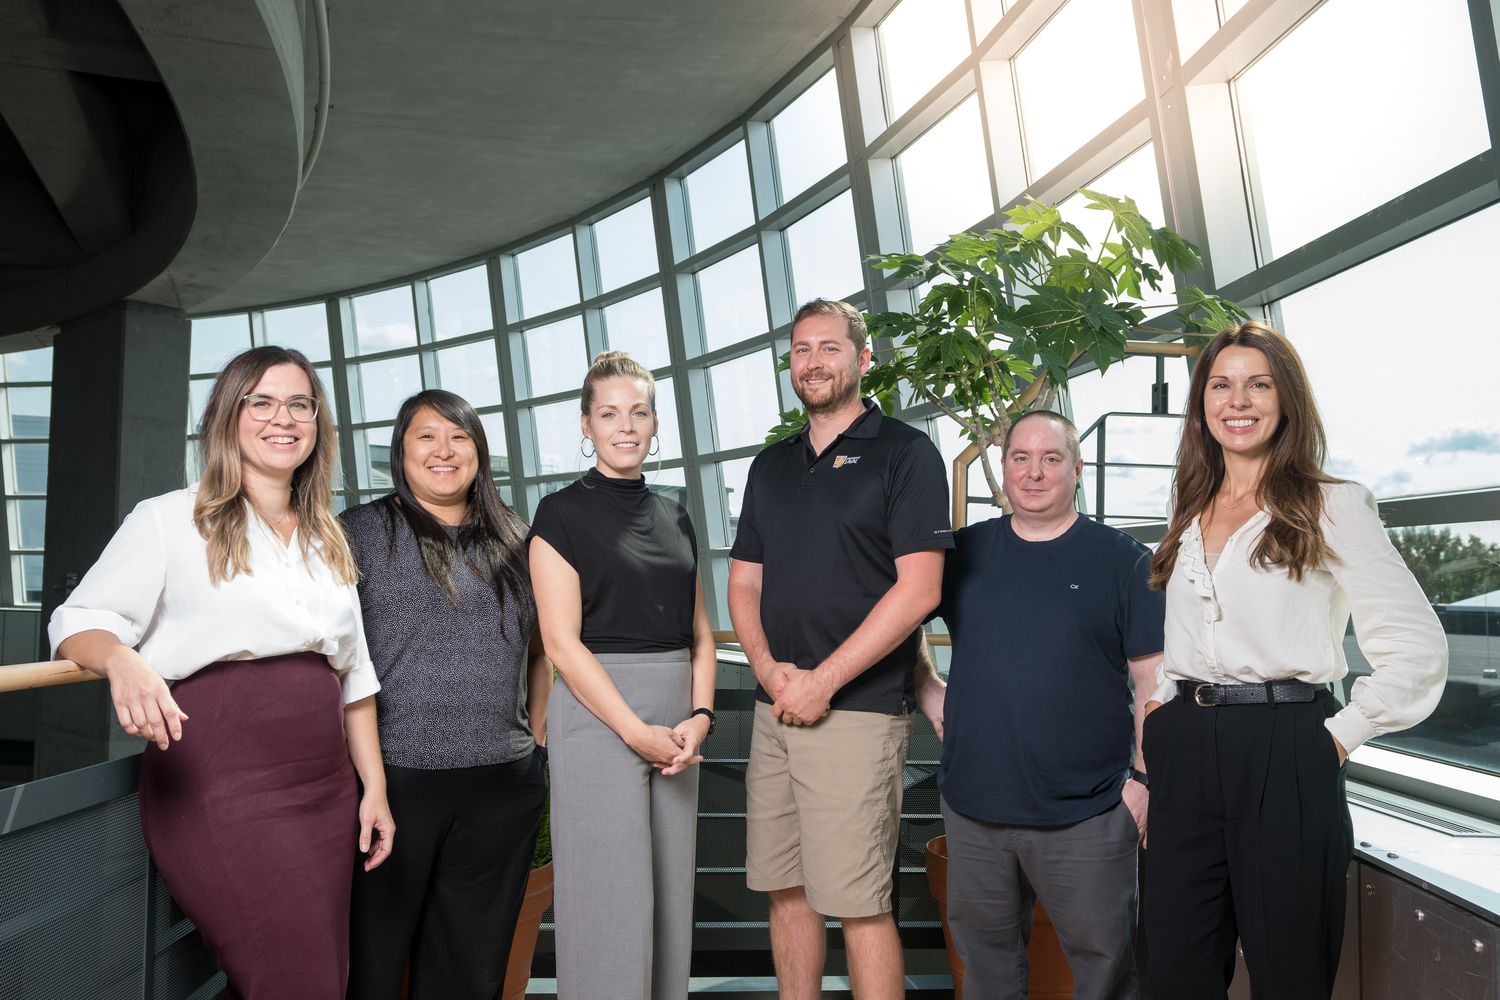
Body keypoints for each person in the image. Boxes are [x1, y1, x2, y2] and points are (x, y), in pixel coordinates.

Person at [48, 346, 394, 999]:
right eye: (259, 401)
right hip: (222, 786)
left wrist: (373, 789)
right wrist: (121, 658)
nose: (281, 417)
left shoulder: (327, 538)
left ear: (318, 422)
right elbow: (79, 619)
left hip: (326, 790)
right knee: (295, 981)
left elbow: (355, 678)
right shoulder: (171, 519)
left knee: (319, 976)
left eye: (299, 403)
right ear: (225, 418)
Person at [1141, 321, 1448, 998]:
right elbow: (1191, 634)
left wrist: (1338, 737)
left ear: (1286, 402)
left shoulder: (1330, 506)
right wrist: (1160, 709)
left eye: (1259, 384)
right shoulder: (1190, 507)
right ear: (1201, 404)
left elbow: (1417, 648)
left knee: (1288, 974)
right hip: (1185, 748)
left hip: (1287, 746)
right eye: (1220, 385)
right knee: (1174, 970)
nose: (1237, 400)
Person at [728, 298, 952, 1000]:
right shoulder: (771, 466)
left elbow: (919, 591)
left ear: (863, 357)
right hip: (776, 710)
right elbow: (742, 583)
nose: (814, 361)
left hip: (856, 712)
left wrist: (821, 682)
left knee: (859, 903)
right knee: (786, 891)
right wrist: (769, 672)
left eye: (829, 347)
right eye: (800, 349)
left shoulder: (907, 454)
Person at [916, 409, 1162, 1000]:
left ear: (1076, 469)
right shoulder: (963, 554)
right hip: (975, 806)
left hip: (1092, 809)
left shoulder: (1125, 560)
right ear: (1002, 470)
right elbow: (900, 618)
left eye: (1051, 459)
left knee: (1106, 973)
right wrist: (928, 689)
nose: (1034, 472)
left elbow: (1154, 682)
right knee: (986, 973)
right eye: (1020, 458)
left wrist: (1143, 783)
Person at [343, 389, 550, 1000]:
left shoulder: (516, 536)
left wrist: (533, 738)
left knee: (472, 968)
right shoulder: (359, 534)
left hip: (502, 784)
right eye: (426, 436)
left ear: (479, 452)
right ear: (400, 452)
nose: (444, 450)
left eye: (459, 437)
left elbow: (545, 648)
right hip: (394, 783)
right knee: (372, 963)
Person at [528, 350, 717, 1000]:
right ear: (586, 424)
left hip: (677, 724)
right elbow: (561, 643)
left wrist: (700, 717)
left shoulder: (678, 516)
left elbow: (700, 637)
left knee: (668, 906)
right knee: (609, 910)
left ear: (655, 422)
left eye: (638, 412)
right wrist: (635, 730)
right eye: (609, 413)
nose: (625, 426)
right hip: (600, 717)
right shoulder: (559, 514)